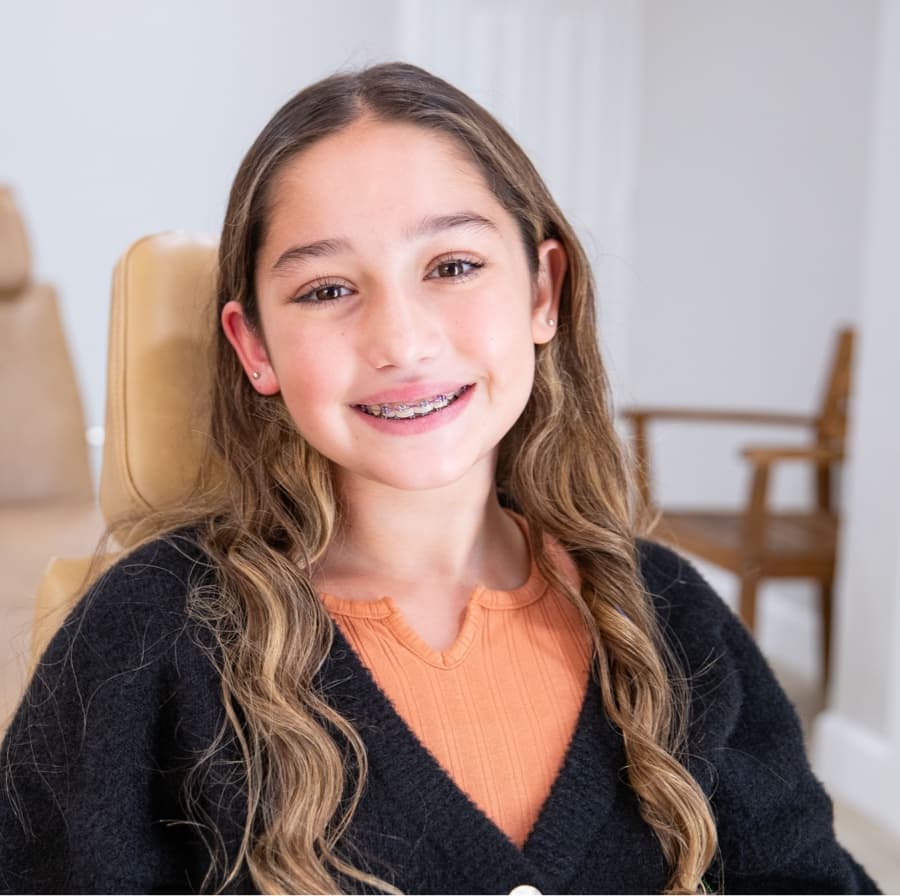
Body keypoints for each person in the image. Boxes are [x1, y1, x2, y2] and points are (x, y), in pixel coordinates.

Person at [0, 62, 878, 895]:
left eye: (453, 268)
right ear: (254, 346)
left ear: (543, 291)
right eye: (326, 290)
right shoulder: (144, 634)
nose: (402, 342)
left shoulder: (671, 616)